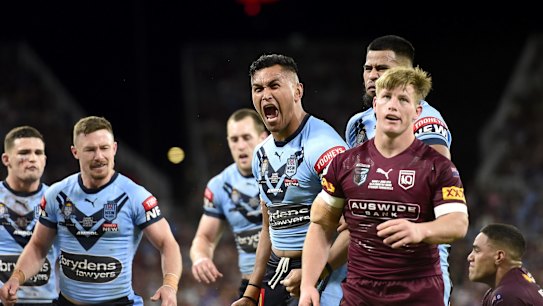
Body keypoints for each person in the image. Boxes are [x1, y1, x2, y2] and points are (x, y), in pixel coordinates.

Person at [299, 66, 469, 305]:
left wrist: (421, 231)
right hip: (360, 295)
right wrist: (308, 284)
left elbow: (458, 223)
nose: (393, 105)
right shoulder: (345, 163)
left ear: (417, 111)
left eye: (403, 99)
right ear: (375, 104)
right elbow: (321, 225)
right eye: (387, 97)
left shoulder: (437, 166)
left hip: (418, 295)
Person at [0, 116, 182, 306]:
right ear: (75, 152)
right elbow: (38, 247)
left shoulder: (136, 196)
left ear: (114, 149)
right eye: (90, 149)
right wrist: (16, 278)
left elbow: (167, 243)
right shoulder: (57, 194)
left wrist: (170, 285)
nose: (99, 156)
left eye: (104, 148)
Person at [342, 34, 455, 305]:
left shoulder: (425, 119)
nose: (372, 75)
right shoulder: (357, 124)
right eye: (368, 68)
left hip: (417, 263)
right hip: (367, 264)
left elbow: (440, 178)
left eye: (382, 69)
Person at [231, 54, 348, 306]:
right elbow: (268, 227)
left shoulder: (325, 149)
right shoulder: (260, 153)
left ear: (297, 91)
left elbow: (355, 226)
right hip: (275, 273)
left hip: (323, 273)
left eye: (274, 85)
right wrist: (251, 292)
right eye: (258, 88)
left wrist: (317, 270)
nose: (265, 95)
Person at [190, 108, 268, 299]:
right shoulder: (219, 186)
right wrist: (200, 258)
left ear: (263, 138)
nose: (240, 145)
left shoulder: (286, 174)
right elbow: (204, 239)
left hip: (291, 279)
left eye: (246, 137)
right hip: (251, 288)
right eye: (234, 139)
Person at [0, 126, 59, 305]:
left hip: (45, 301)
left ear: (44, 159)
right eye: (24, 152)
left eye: (38, 152)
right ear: (6, 159)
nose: (32, 158)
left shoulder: (59, 201)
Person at [468, 223, 543, 305]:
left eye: (477, 250)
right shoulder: (514, 285)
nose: (469, 257)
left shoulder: (508, 295)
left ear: (499, 256)